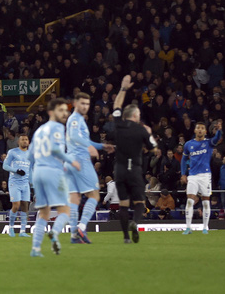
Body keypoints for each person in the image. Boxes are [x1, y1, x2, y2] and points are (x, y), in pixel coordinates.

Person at [28, 98, 80, 257]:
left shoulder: (39, 130)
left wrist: (34, 173)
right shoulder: (57, 128)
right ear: (51, 112)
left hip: (38, 172)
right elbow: (56, 149)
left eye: (65, 110)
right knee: (65, 210)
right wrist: (72, 161)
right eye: (61, 110)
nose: (64, 113)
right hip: (53, 171)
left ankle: (36, 249)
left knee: (43, 214)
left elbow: (30, 155)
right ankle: (55, 233)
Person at [109, 75, 158, 244]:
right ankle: (135, 223)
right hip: (135, 170)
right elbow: (154, 149)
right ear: (136, 115)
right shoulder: (142, 129)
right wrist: (149, 136)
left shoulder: (119, 124)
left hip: (120, 170)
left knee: (123, 204)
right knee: (139, 202)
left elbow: (116, 105)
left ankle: (125, 238)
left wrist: (123, 88)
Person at [66, 92, 115, 244]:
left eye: (87, 104)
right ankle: (81, 226)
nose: (85, 107)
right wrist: (94, 146)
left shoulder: (77, 119)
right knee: (94, 195)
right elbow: (75, 137)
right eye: (82, 103)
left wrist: (101, 146)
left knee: (74, 198)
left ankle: (74, 235)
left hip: (70, 161)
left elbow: (82, 139)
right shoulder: (75, 119)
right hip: (80, 160)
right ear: (75, 103)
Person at [181, 120, 222, 234]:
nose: (200, 130)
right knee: (189, 200)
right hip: (193, 176)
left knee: (205, 201)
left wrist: (219, 130)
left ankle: (205, 227)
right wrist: (183, 174)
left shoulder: (208, 142)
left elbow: (216, 139)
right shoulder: (188, 144)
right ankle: (188, 228)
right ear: (195, 130)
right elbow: (184, 159)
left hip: (205, 176)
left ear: (205, 131)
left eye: (202, 128)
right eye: (198, 128)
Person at [3, 134, 31, 237]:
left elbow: (30, 169)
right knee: (16, 205)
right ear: (18, 142)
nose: (24, 141)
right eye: (22, 139)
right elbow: (5, 166)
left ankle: (22, 231)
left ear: (28, 142)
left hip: (25, 183)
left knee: (25, 206)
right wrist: (16, 170)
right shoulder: (12, 152)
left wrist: (32, 183)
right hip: (14, 182)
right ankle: (11, 228)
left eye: (26, 139)